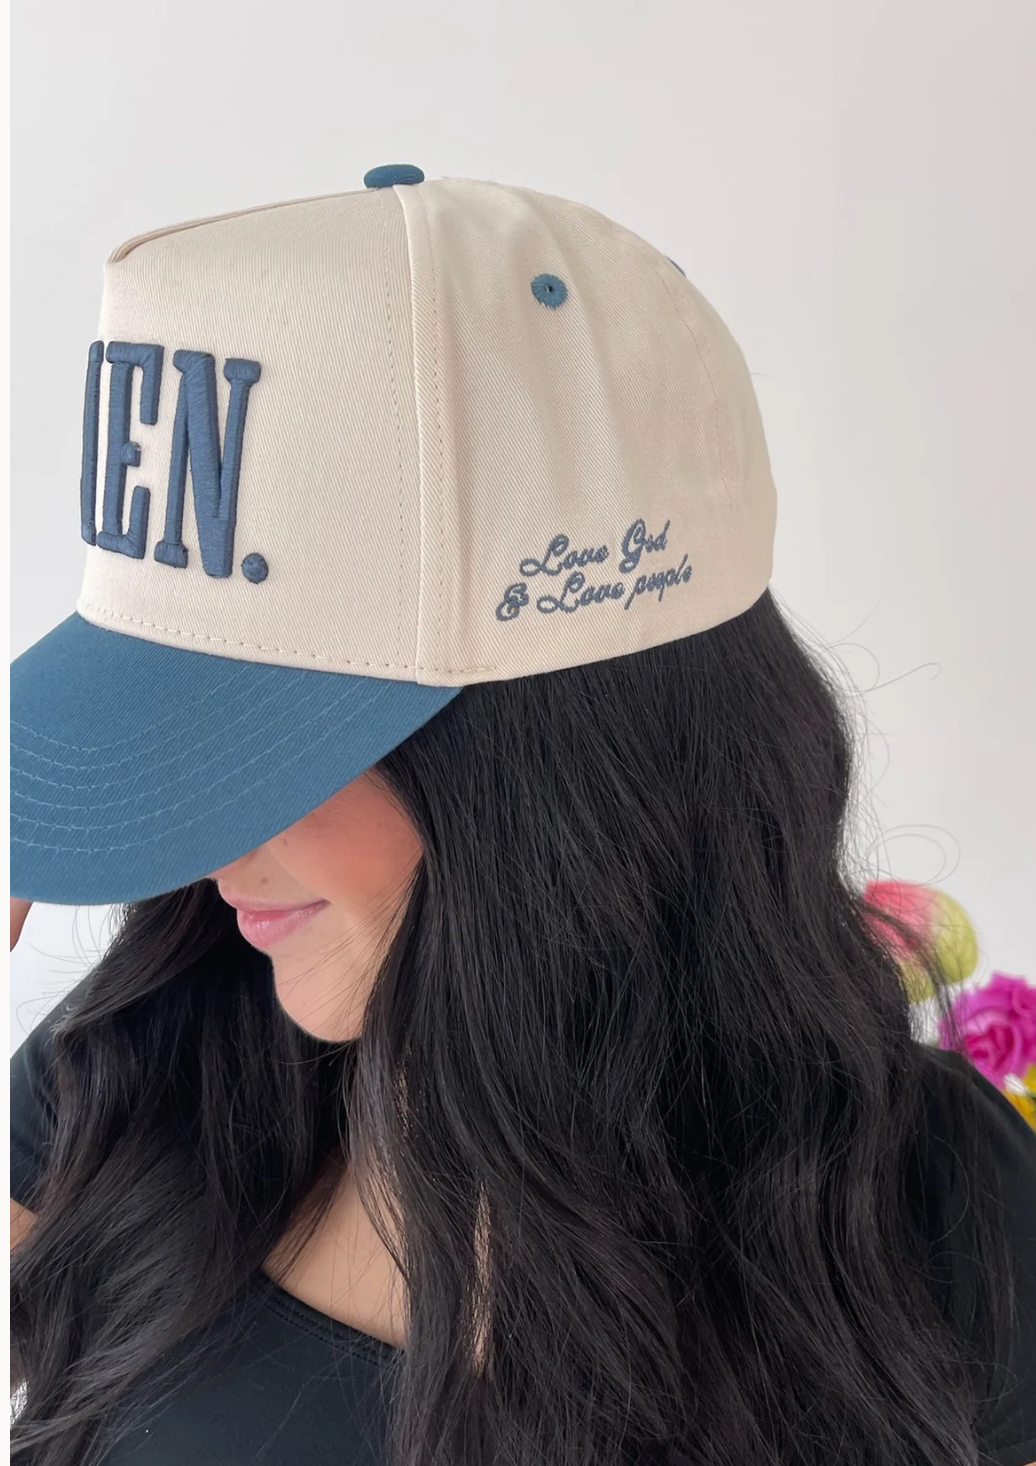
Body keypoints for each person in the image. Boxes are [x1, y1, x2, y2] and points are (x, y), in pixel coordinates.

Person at [9, 165, 1036, 1466]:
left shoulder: (922, 1202)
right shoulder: (128, 1078)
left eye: (271, 748)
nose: (207, 844)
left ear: (557, 770)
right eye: (165, 734)